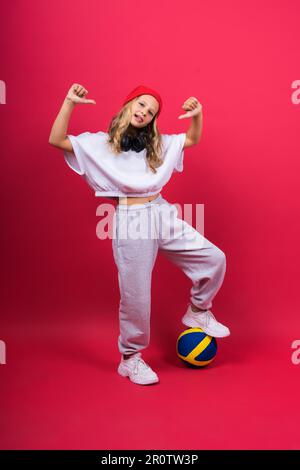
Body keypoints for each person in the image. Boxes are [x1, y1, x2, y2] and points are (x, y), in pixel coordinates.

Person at [49, 83, 230, 386]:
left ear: (153, 119)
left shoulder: (157, 145)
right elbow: (56, 139)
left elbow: (192, 139)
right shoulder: (100, 144)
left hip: (161, 210)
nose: (144, 112)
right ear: (129, 103)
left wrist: (197, 115)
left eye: (151, 111)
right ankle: (130, 359)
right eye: (142, 104)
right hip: (131, 220)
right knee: (137, 297)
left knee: (214, 258)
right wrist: (69, 102)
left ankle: (199, 311)